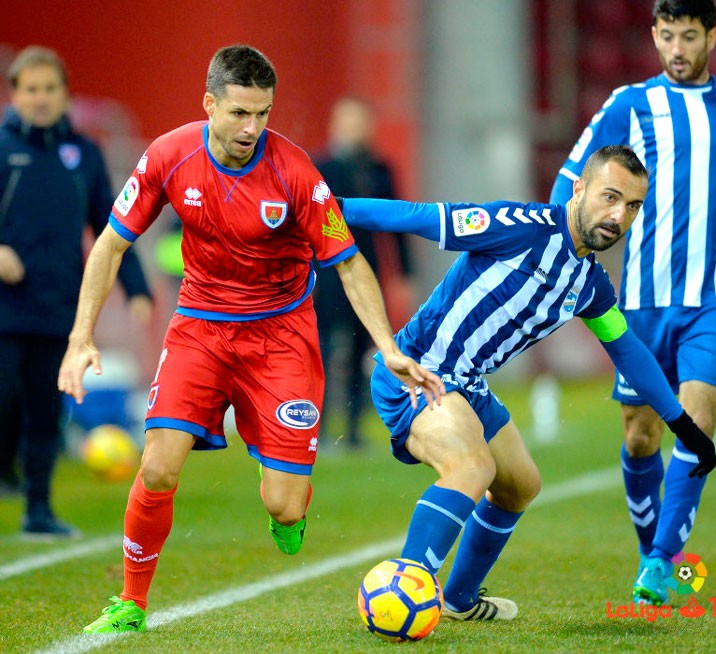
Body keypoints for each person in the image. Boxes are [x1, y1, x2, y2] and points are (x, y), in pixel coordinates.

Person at [57, 44, 443, 634]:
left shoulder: (296, 173)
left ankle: (289, 510)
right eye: (240, 113)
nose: (252, 127)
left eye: (263, 113)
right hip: (200, 329)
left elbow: (348, 262)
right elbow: (111, 243)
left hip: (282, 337)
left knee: (282, 503)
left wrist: (388, 347)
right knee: (158, 466)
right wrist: (81, 335)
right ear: (209, 103)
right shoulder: (167, 154)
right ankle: (130, 603)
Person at [340, 145, 716, 621]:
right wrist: (334, 209)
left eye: (633, 206)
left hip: (469, 385)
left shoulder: (590, 284)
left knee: (520, 485)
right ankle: (406, 591)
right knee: (472, 468)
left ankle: (458, 600)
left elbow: (629, 353)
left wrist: (683, 426)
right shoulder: (519, 225)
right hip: (418, 370)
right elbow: (419, 217)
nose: (618, 216)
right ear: (579, 188)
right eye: (610, 197)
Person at [550, 0, 716, 606]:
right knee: (640, 436)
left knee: (696, 422)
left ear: (712, 36)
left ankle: (662, 561)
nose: (678, 50)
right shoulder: (629, 105)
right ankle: (650, 546)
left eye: (689, 36)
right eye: (667, 37)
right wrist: (557, 242)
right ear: (655, 36)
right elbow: (571, 179)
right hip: (641, 300)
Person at [0, 46, 152, 537]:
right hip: (4, 309)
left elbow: (110, 227)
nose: (40, 98)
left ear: (65, 94)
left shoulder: (83, 154)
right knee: (4, 400)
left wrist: (137, 289)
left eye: (50, 89)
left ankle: (38, 510)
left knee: (46, 409)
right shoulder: (2, 148)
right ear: (15, 94)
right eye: (31, 89)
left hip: (59, 307)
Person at [313, 96, 413, 448]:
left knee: (360, 351)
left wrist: (403, 274)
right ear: (336, 125)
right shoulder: (318, 166)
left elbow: (398, 223)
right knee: (321, 353)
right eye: (348, 121)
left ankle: (353, 431)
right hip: (324, 275)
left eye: (360, 121)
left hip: (366, 273)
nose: (355, 128)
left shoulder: (379, 170)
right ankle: (316, 431)